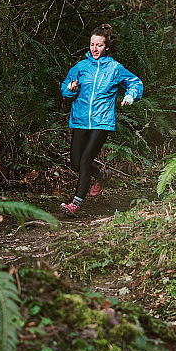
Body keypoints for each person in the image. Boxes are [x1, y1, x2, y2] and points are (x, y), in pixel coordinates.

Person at [59, 24, 143, 216]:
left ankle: (75, 204)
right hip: (80, 120)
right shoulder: (80, 67)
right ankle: (102, 175)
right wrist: (70, 88)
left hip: (102, 121)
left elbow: (135, 82)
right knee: (75, 163)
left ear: (107, 47)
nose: (94, 49)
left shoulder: (114, 68)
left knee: (86, 160)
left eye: (99, 45)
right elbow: (65, 89)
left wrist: (130, 96)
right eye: (92, 45)